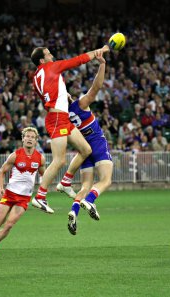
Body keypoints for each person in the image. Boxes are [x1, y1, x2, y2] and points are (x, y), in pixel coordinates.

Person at [30, 44, 110, 214]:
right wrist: (98, 52)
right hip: (58, 118)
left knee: (86, 149)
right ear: (43, 60)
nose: (52, 55)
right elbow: (77, 60)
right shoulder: (51, 66)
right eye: (49, 54)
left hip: (60, 117)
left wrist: (61, 95)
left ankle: (65, 182)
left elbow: (47, 94)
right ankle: (40, 196)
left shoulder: (36, 76)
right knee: (59, 161)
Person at [55, 51, 113, 235]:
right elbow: (96, 88)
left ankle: (74, 210)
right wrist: (102, 65)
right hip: (97, 144)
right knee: (105, 180)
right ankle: (90, 200)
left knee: (85, 185)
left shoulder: (63, 117)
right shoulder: (80, 105)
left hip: (83, 153)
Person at [0, 127, 46, 257]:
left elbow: (44, 176)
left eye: (32, 137)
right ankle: (8, 211)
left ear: (36, 141)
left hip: (24, 199)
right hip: (10, 195)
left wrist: (42, 193)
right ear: (23, 139)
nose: (29, 139)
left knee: (9, 225)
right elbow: (2, 172)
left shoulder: (40, 158)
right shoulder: (15, 155)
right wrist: (0, 188)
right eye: (27, 136)